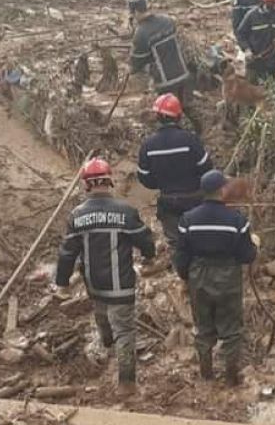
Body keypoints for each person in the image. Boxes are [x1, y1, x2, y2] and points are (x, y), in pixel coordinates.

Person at [55, 158, 155, 397]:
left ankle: (107, 343)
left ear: (87, 185)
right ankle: (126, 382)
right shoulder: (126, 212)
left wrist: (62, 281)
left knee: (102, 318)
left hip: (94, 285)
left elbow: (67, 252)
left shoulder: (77, 216)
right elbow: (145, 241)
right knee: (125, 332)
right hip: (121, 286)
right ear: (109, 181)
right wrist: (149, 257)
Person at [174, 170, 259, 386]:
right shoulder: (237, 220)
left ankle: (206, 376)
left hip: (198, 276)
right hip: (227, 276)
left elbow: (181, 255)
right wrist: (255, 245)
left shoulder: (188, 219)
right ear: (223, 190)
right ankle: (231, 378)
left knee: (203, 328)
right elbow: (246, 255)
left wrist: (186, 278)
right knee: (231, 329)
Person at [137, 93, 213, 262]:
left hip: (168, 202)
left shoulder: (148, 146)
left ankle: (183, 280)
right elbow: (207, 169)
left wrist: (162, 183)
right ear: (178, 116)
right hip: (195, 200)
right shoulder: (190, 140)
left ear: (157, 117)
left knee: (177, 245)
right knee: (198, 241)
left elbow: (144, 177)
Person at [128, 0, 202, 133]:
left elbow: (137, 60)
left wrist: (133, 69)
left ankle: (175, 137)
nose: (133, 18)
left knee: (168, 112)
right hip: (182, 72)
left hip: (165, 80)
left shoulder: (141, 33)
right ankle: (199, 131)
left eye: (132, 15)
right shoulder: (167, 20)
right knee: (186, 105)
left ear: (136, 12)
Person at [236, 0, 275, 84]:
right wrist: (246, 50)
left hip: (272, 63)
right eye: (274, 3)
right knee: (251, 91)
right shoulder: (252, 16)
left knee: (270, 93)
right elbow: (241, 34)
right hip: (255, 63)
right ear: (266, 3)